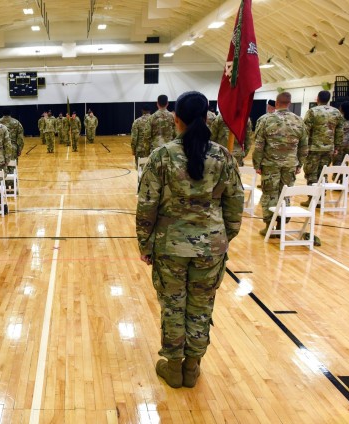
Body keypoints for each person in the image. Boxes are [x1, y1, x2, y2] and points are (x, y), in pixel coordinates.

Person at [136, 92, 244, 389]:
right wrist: (223, 238)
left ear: (176, 118)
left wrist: (145, 244)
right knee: (201, 306)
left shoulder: (162, 156)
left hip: (170, 247)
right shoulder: (223, 156)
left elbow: (147, 204)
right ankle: (192, 367)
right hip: (211, 247)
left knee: (173, 306)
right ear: (208, 117)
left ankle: (173, 368)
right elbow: (235, 205)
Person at [253, 92, 308, 235]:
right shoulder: (298, 121)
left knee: (270, 194)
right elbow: (303, 146)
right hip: (290, 163)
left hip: (270, 164)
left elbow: (259, 145)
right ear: (289, 103)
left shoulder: (266, 120)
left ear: (276, 103)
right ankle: (281, 224)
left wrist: (256, 164)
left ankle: (269, 227)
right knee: (285, 193)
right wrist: (299, 164)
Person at [300, 90, 344, 205]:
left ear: (318, 99)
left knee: (311, 173)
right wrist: (337, 147)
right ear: (328, 99)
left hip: (313, 148)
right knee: (322, 172)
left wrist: (303, 147)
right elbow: (339, 131)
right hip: (329, 148)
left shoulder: (312, 112)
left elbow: (306, 131)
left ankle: (312, 199)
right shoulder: (336, 112)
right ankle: (320, 198)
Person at [0, 108, 25, 192]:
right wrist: (19, 148)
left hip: (1, 148)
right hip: (13, 147)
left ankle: (5, 188)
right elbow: (20, 138)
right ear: (10, 113)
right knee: (12, 168)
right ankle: (13, 189)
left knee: (3, 168)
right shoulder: (16, 122)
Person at [333, 102, 349, 166]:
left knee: (337, 162)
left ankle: (337, 175)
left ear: (341, 109)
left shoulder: (338, 118)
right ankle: (344, 175)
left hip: (340, 142)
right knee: (346, 161)